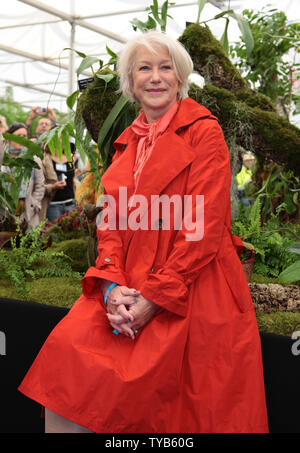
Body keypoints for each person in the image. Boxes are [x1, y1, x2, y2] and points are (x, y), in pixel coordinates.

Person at [18, 31, 269, 433]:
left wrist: (155, 297)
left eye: (165, 67)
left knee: (188, 402)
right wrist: (110, 287)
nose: (155, 77)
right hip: (129, 280)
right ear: (130, 83)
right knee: (67, 358)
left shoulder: (205, 132)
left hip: (190, 281)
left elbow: (202, 225)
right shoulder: (126, 145)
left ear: (181, 78)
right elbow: (112, 225)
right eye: (144, 68)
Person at [2, 122, 44, 228]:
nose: (21, 139)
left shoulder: (34, 160)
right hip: (5, 210)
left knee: (29, 241)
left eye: (24, 136)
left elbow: (40, 186)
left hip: (28, 210)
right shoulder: (2, 159)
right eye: (18, 136)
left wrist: (34, 204)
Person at [39, 141, 76, 223]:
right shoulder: (43, 160)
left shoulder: (70, 157)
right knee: (55, 232)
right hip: (53, 205)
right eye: (58, 138)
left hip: (71, 204)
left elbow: (73, 180)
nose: (62, 141)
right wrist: (53, 186)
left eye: (64, 137)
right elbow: (38, 186)